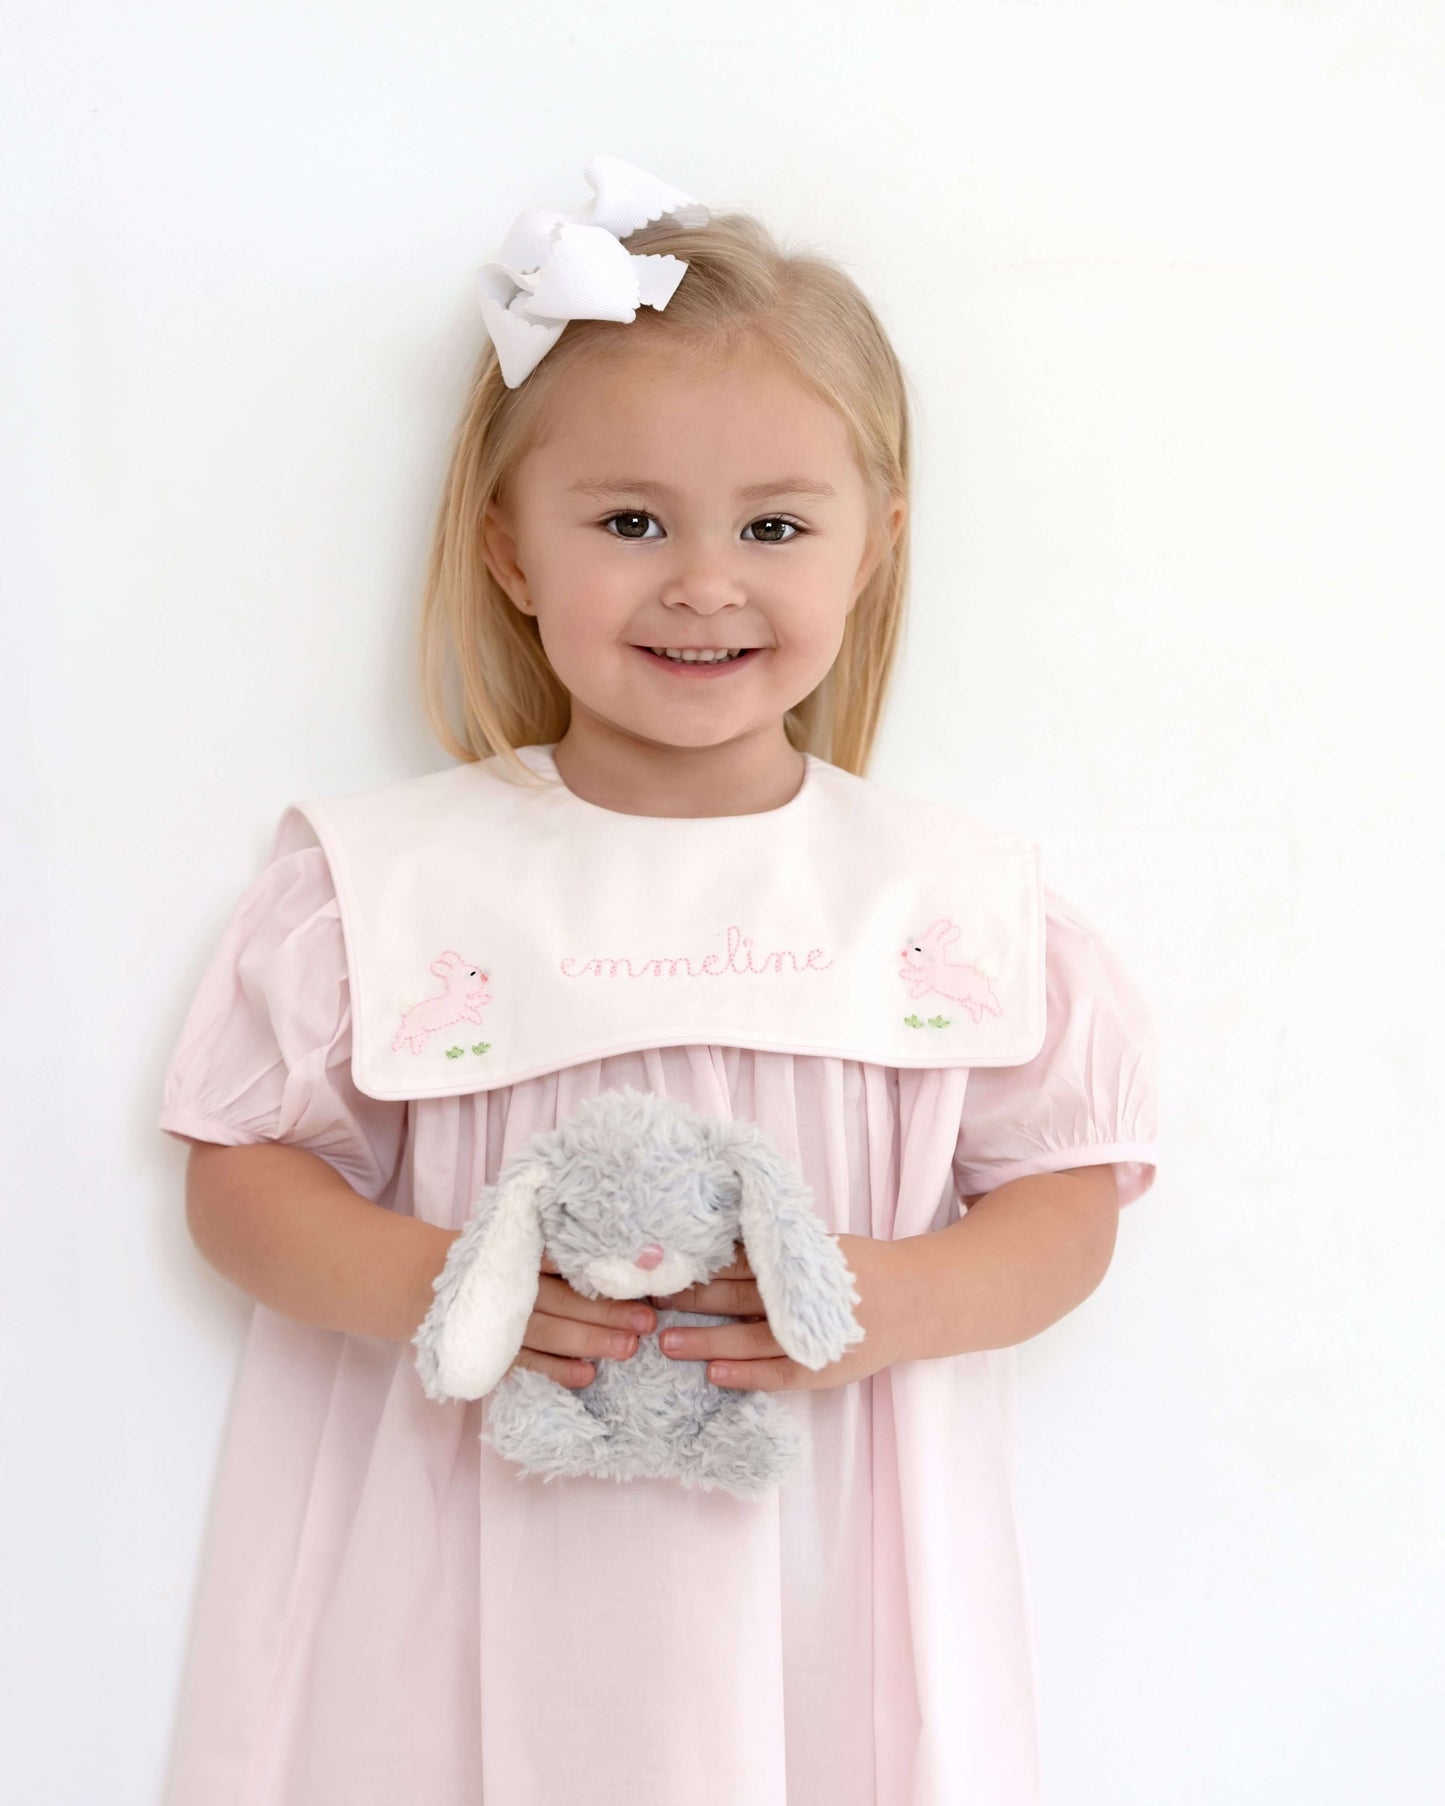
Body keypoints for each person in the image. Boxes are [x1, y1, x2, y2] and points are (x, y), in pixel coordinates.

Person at [157, 155, 1160, 1806]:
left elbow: (1065, 1199)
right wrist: (445, 1280)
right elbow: (241, 1179)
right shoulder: (391, 883)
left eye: (774, 525)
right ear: (508, 548)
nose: (704, 579)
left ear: (873, 545)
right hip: (473, 1550)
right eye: (630, 523)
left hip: (825, 1560)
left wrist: (897, 1297)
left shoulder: (941, 901)